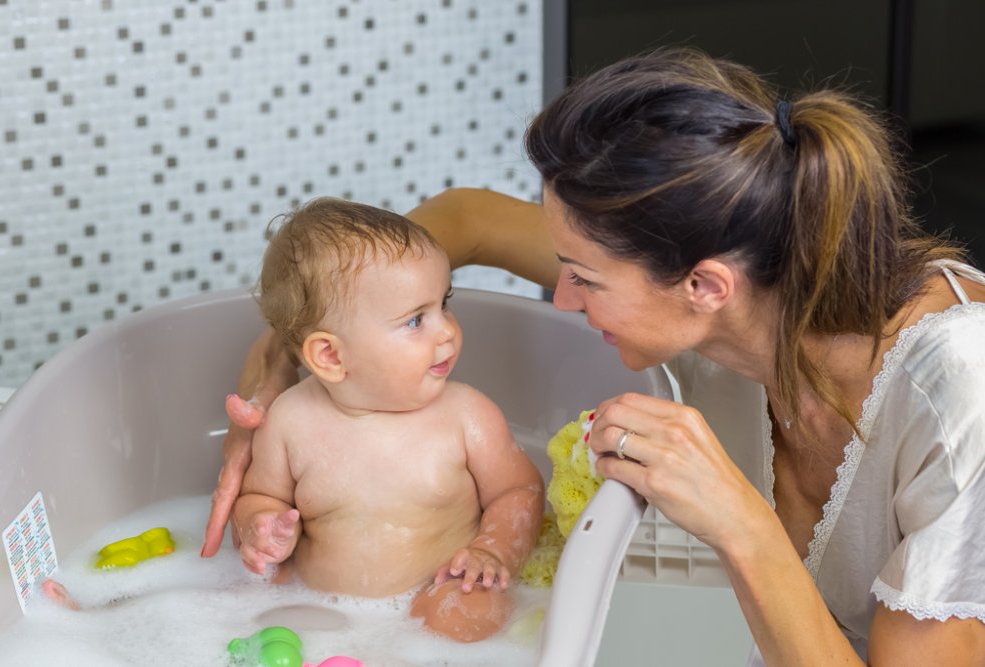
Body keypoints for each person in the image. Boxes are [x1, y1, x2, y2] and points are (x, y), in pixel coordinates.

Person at [203, 47, 985, 664]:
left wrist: (738, 522)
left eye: (582, 277)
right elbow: (467, 220)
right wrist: (281, 351)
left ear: (705, 286)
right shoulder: (738, 286)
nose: (562, 298)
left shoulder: (959, 397)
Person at [229, 197, 544, 643]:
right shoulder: (290, 421)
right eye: (416, 320)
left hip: (444, 591)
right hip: (317, 608)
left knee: (467, 613)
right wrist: (261, 528)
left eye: (444, 305)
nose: (447, 330)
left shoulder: (466, 415)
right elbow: (259, 495)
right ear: (331, 355)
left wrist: (491, 550)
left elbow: (520, 490)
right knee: (252, 612)